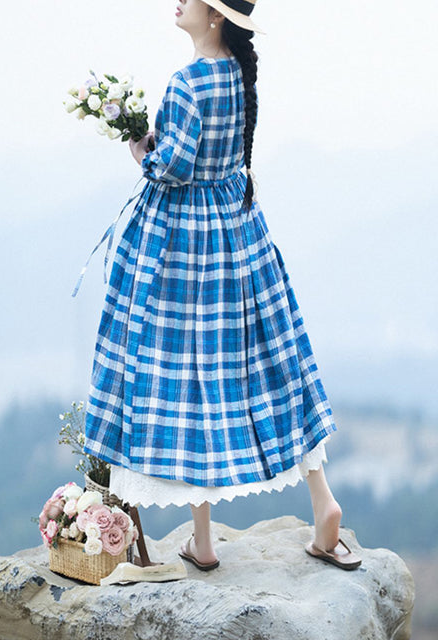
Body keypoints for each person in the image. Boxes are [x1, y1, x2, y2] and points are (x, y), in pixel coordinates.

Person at [82, 0, 362, 572]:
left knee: (192, 380)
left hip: (188, 246)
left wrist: (141, 148)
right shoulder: (237, 76)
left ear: (214, 16)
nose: (177, 2)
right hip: (238, 229)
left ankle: (203, 543)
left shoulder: (187, 82)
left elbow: (176, 165)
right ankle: (323, 501)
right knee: (273, 364)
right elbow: (220, 156)